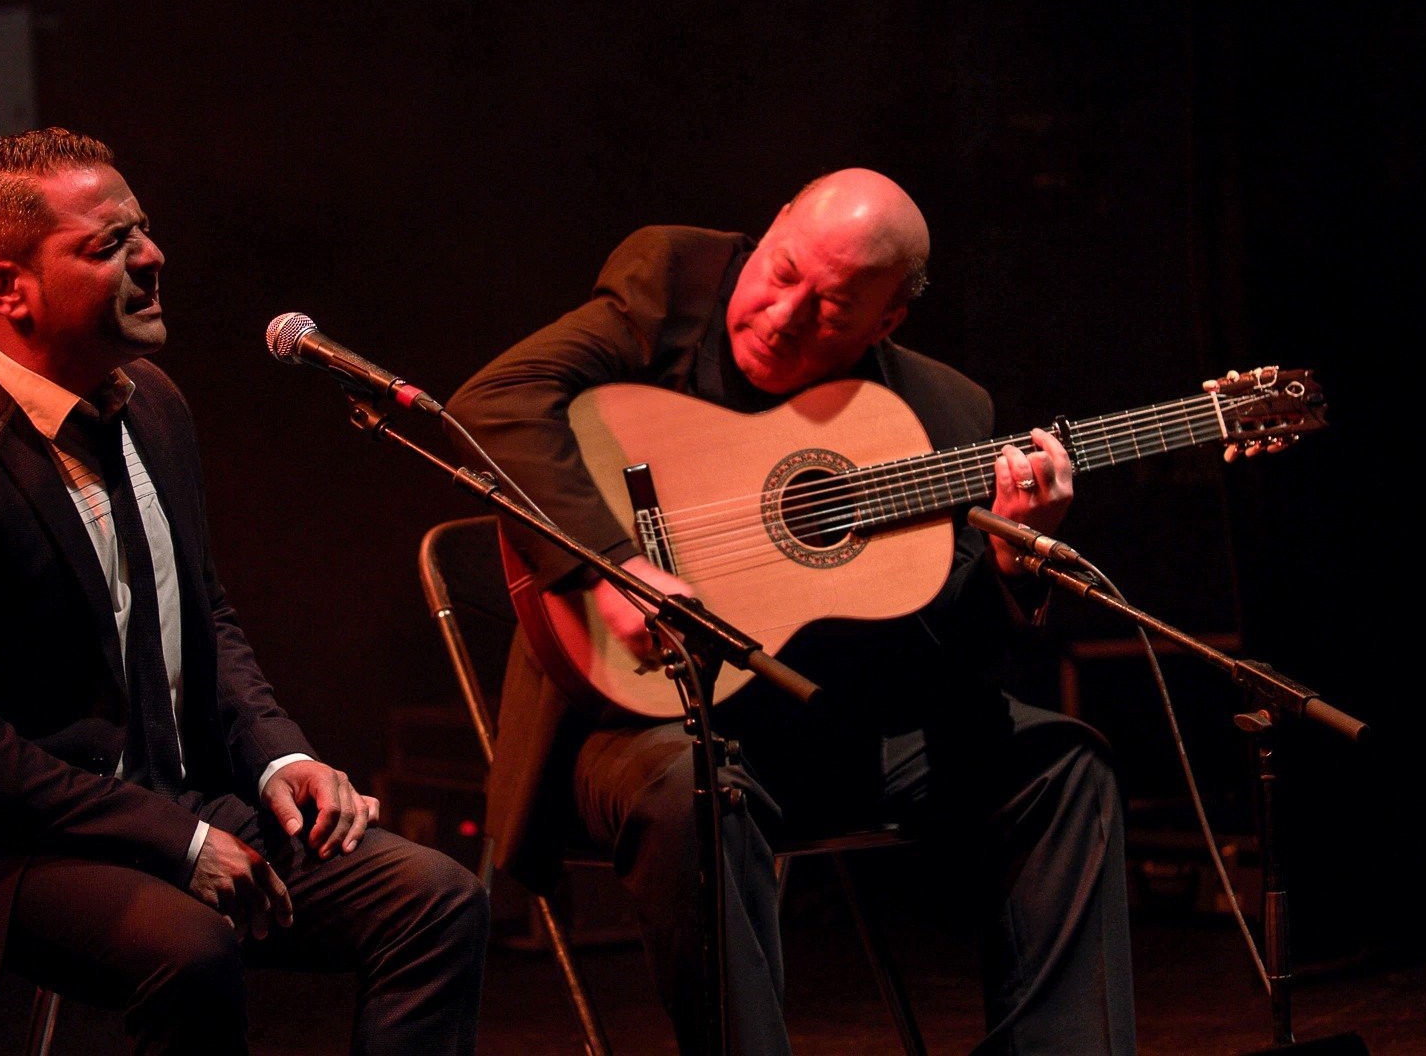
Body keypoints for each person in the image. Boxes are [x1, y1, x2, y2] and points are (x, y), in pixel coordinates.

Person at [445, 168, 1135, 1054]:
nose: (782, 315)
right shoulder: (671, 285)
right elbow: (491, 406)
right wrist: (613, 566)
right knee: (699, 793)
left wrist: (1012, 566)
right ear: (765, 233)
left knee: (1066, 766)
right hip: (641, 727)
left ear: (887, 322)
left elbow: (940, 655)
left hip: (837, 733)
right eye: (781, 273)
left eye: (835, 307)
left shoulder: (945, 411)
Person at [0, 127, 487, 1054]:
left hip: (170, 804)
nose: (153, 256)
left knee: (435, 899)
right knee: (191, 949)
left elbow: (203, 615)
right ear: (4, 289)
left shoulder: (153, 403)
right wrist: (175, 842)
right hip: (1, 847)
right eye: (108, 244)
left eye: (141, 229)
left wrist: (278, 759)